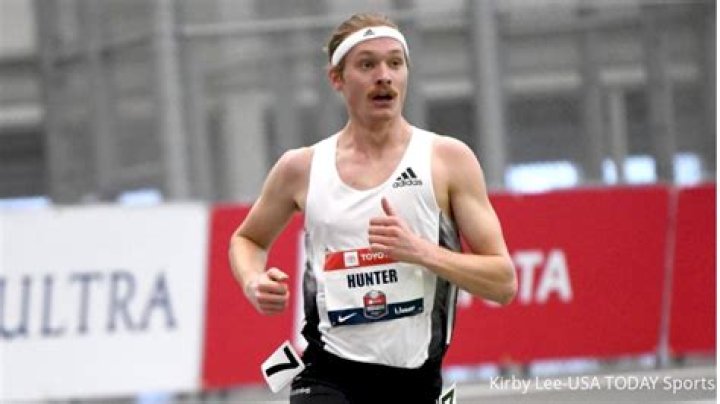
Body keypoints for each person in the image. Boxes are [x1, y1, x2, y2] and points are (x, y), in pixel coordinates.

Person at [229, 12, 517, 404]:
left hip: (416, 382)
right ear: (337, 79)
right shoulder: (302, 167)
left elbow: (503, 283)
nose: (384, 76)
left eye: (395, 63)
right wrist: (253, 281)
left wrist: (422, 252)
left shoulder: (447, 159)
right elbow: (247, 239)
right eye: (367, 65)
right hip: (327, 374)